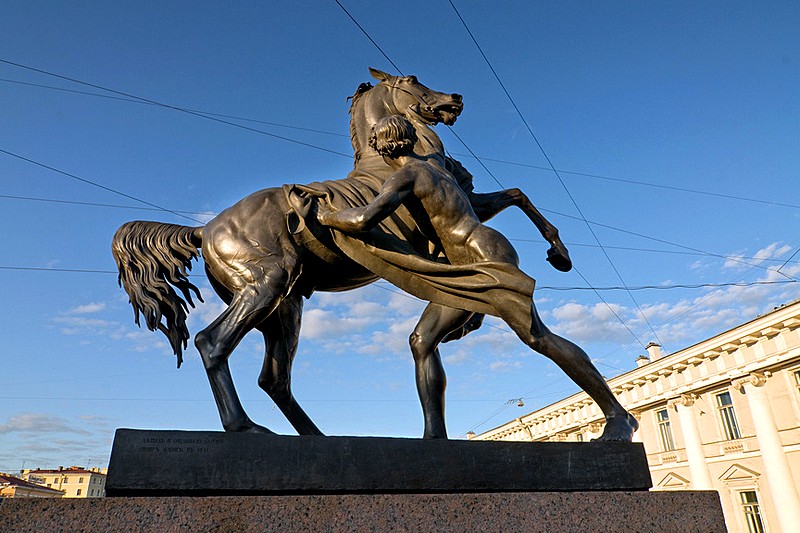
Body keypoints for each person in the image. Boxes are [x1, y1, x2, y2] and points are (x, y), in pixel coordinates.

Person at [318, 115, 637, 440]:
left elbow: (363, 219)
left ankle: (618, 416)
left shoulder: (406, 176)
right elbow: (508, 197)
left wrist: (325, 215)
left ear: (382, 149)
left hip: (483, 255)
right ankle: (435, 436)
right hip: (474, 256)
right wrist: (552, 237)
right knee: (422, 341)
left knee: (537, 336)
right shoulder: (437, 169)